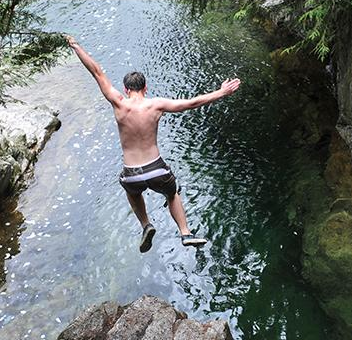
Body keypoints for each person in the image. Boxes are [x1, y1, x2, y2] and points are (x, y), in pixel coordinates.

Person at [66, 35, 241, 253]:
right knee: (172, 193)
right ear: (145, 88)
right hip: (156, 168)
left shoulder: (119, 103)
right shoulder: (156, 105)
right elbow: (193, 102)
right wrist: (221, 92)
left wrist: (75, 46)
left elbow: (97, 71)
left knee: (133, 192)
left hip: (132, 172)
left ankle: (146, 224)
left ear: (126, 89)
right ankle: (185, 233)